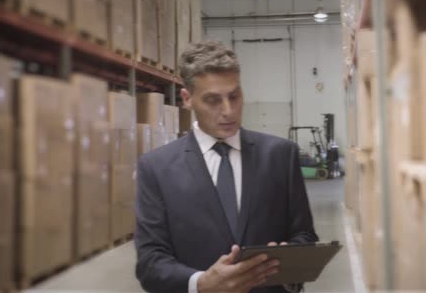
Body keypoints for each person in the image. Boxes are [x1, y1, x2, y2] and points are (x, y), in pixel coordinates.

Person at [134, 41, 318, 293]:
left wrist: (290, 265)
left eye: (234, 96)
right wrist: (200, 283)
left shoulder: (280, 156)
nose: (228, 111)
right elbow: (150, 262)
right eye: (213, 100)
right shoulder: (156, 168)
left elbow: (304, 236)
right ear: (187, 98)